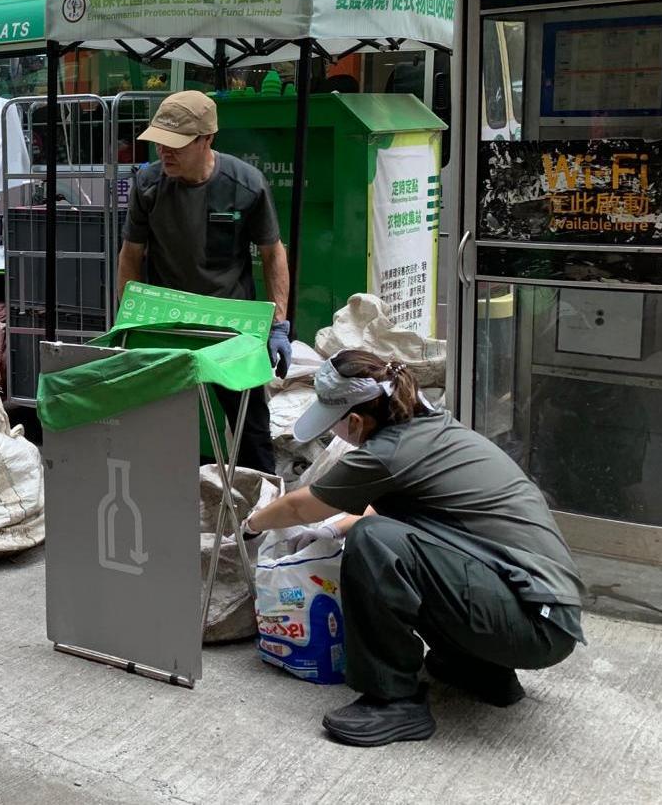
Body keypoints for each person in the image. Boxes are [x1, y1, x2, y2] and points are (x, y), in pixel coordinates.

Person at [239, 350, 585, 747]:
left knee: (374, 541)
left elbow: (302, 505)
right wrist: (333, 530)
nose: (331, 434)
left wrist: (248, 527)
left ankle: (393, 700)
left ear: (354, 420)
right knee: (387, 532)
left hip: (532, 624)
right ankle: (477, 668)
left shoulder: (388, 452)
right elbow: (408, 519)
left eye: (331, 425)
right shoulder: (432, 428)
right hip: (540, 610)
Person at [115, 90, 292, 474]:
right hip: (168, 321)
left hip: (230, 323)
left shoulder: (246, 185)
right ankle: (161, 505)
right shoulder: (148, 184)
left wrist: (278, 324)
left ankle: (260, 512)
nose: (166, 152)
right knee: (157, 421)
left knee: (250, 425)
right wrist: (127, 319)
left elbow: (273, 252)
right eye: (160, 142)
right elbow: (131, 255)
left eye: (176, 144)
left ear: (207, 139)